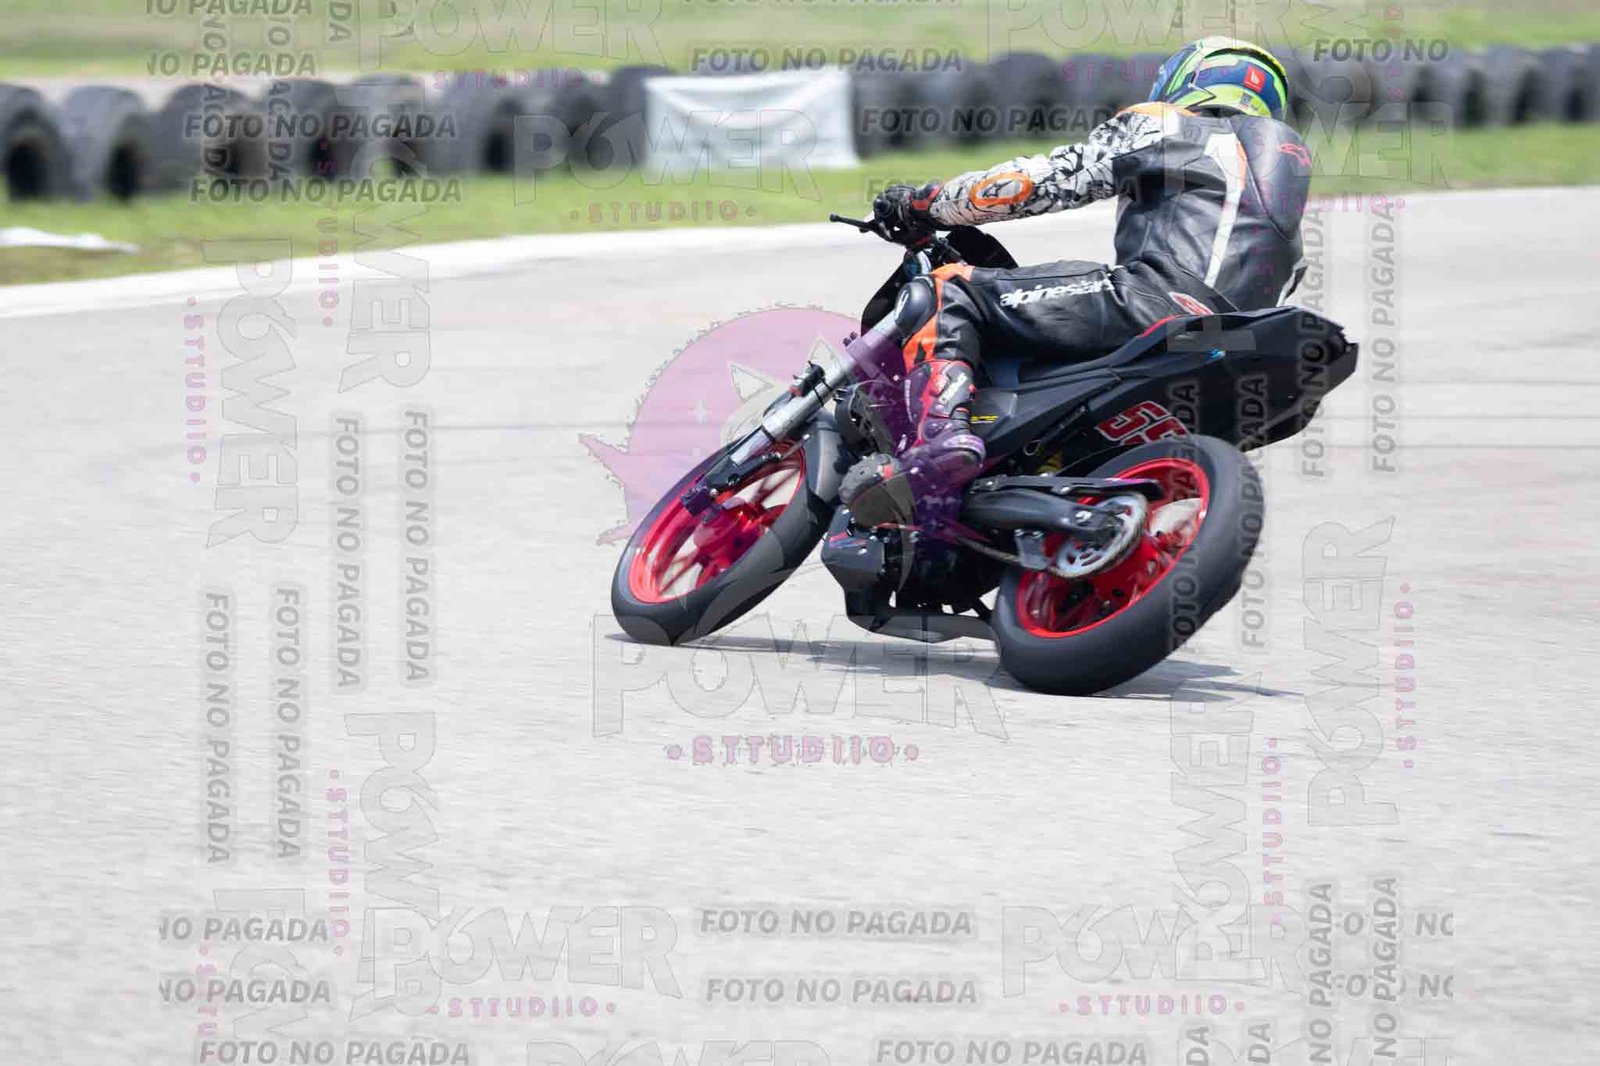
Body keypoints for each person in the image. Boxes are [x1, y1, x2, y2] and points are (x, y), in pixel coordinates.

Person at [839, 36, 1313, 532]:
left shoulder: (1170, 124)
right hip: (1236, 343)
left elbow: (1040, 182)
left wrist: (923, 204)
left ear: (1189, 80)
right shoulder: (1287, 211)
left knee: (951, 289)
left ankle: (940, 440)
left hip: (1154, 301)